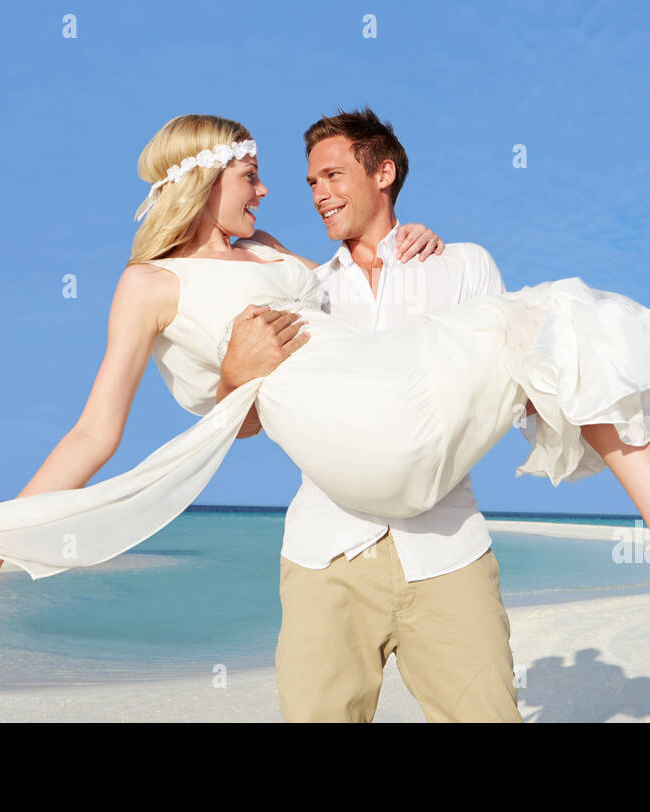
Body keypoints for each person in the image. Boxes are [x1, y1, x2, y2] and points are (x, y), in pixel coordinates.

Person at [0, 112, 650, 647]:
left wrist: (411, 243)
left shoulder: (278, 253)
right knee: (551, 315)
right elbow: (96, 434)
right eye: (253, 174)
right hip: (358, 439)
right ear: (202, 178)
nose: (271, 192)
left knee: (560, 322)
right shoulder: (147, 284)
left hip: (394, 405)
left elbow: (357, 296)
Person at [224, 108, 523, 722]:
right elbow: (251, 422)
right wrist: (235, 377)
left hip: (447, 550)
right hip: (325, 557)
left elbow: (504, 389)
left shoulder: (461, 267)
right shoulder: (306, 293)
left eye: (332, 176)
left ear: (383, 172)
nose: (318, 195)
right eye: (311, 183)